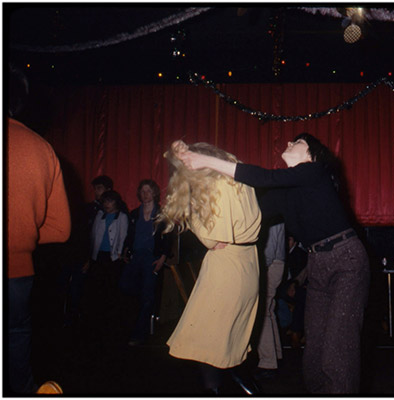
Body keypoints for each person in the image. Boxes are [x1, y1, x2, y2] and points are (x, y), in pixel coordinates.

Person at [171, 132, 370, 394]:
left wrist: (204, 159)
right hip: (317, 262)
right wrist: (199, 192)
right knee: (315, 348)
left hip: (347, 259)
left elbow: (264, 177)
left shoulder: (314, 171)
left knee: (337, 346)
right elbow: (248, 206)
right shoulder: (285, 193)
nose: (288, 143)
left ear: (312, 153)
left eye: (297, 142)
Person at [158, 142, 262, 395]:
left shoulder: (213, 186)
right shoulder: (238, 178)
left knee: (205, 340)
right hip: (248, 261)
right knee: (230, 339)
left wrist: (191, 211)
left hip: (226, 265)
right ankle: (248, 389)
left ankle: (219, 391)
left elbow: (211, 240)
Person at [8, 65, 71, 394]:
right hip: (18, 274)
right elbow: (61, 230)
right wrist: (23, 234)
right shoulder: (41, 148)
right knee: (17, 344)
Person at [120, 179, 172, 345]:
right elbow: (129, 235)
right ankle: (128, 328)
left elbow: (168, 239)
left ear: (155, 193)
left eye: (148, 191)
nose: (145, 194)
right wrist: (125, 250)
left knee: (147, 296)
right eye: (142, 191)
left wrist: (162, 258)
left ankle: (139, 334)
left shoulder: (163, 214)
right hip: (135, 257)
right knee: (125, 289)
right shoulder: (134, 214)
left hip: (152, 259)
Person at [85, 190, 129, 338]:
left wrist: (119, 254)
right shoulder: (99, 215)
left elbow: (123, 236)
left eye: (109, 201)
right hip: (98, 257)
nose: (107, 204)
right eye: (104, 202)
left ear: (116, 202)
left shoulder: (122, 217)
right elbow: (93, 236)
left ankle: (110, 323)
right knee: (97, 289)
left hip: (113, 259)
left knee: (111, 289)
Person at [254, 220, 286, 380]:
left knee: (262, 312)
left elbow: (270, 249)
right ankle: (276, 355)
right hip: (277, 263)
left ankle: (268, 363)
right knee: (269, 309)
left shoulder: (270, 208)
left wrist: (259, 267)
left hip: (271, 265)